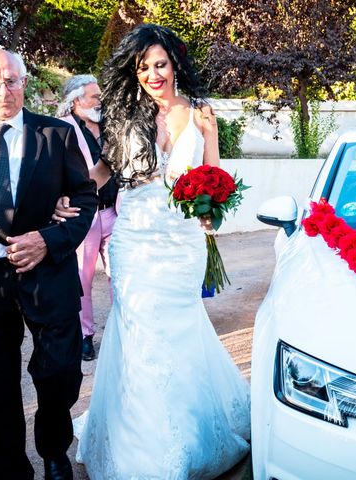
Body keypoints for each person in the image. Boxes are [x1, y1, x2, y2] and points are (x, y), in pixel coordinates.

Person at [58, 24, 250, 479]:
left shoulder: (202, 113)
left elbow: (215, 174)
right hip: (135, 240)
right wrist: (70, 193)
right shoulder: (127, 113)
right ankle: (147, 447)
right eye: (143, 67)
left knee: (179, 330)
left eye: (159, 64)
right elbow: (104, 169)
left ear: (175, 63)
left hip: (181, 243)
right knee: (141, 333)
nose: (152, 75)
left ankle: (190, 428)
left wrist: (210, 212)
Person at [0, 48, 98, 480]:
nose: (1, 91)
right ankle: (7, 468)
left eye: (10, 80)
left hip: (47, 273)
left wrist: (48, 240)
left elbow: (85, 197)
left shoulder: (56, 134)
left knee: (60, 372)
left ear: (25, 83)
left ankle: (53, 450)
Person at [56, 74, 118, 361]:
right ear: (77, 100)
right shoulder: (62, 129)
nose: (100, 100)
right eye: (95, 96)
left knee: (120, 274)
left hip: (115, 211)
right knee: (82, 279)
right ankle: (85, 336)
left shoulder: (111, 127)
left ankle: (123, 331)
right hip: (84, 217)